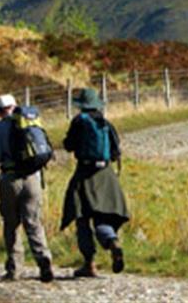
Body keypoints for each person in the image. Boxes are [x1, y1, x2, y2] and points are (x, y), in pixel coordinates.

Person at [60, 87, 129, 277]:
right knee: (102, 217)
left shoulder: (79, 122)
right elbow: (115, 153)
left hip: (84, 173)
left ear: (81, 105)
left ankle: (89, 263)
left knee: (82, 217)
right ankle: (112, 241)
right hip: (106, 175)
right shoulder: (106, 123)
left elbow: (68, 145)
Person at [0, 93, 55, 282]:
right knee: (33, 222)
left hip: (10, 179)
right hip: (33, 177)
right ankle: (44, 260)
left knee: (12, 224)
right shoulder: (31, 123)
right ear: (15, 106)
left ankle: (15, 269)